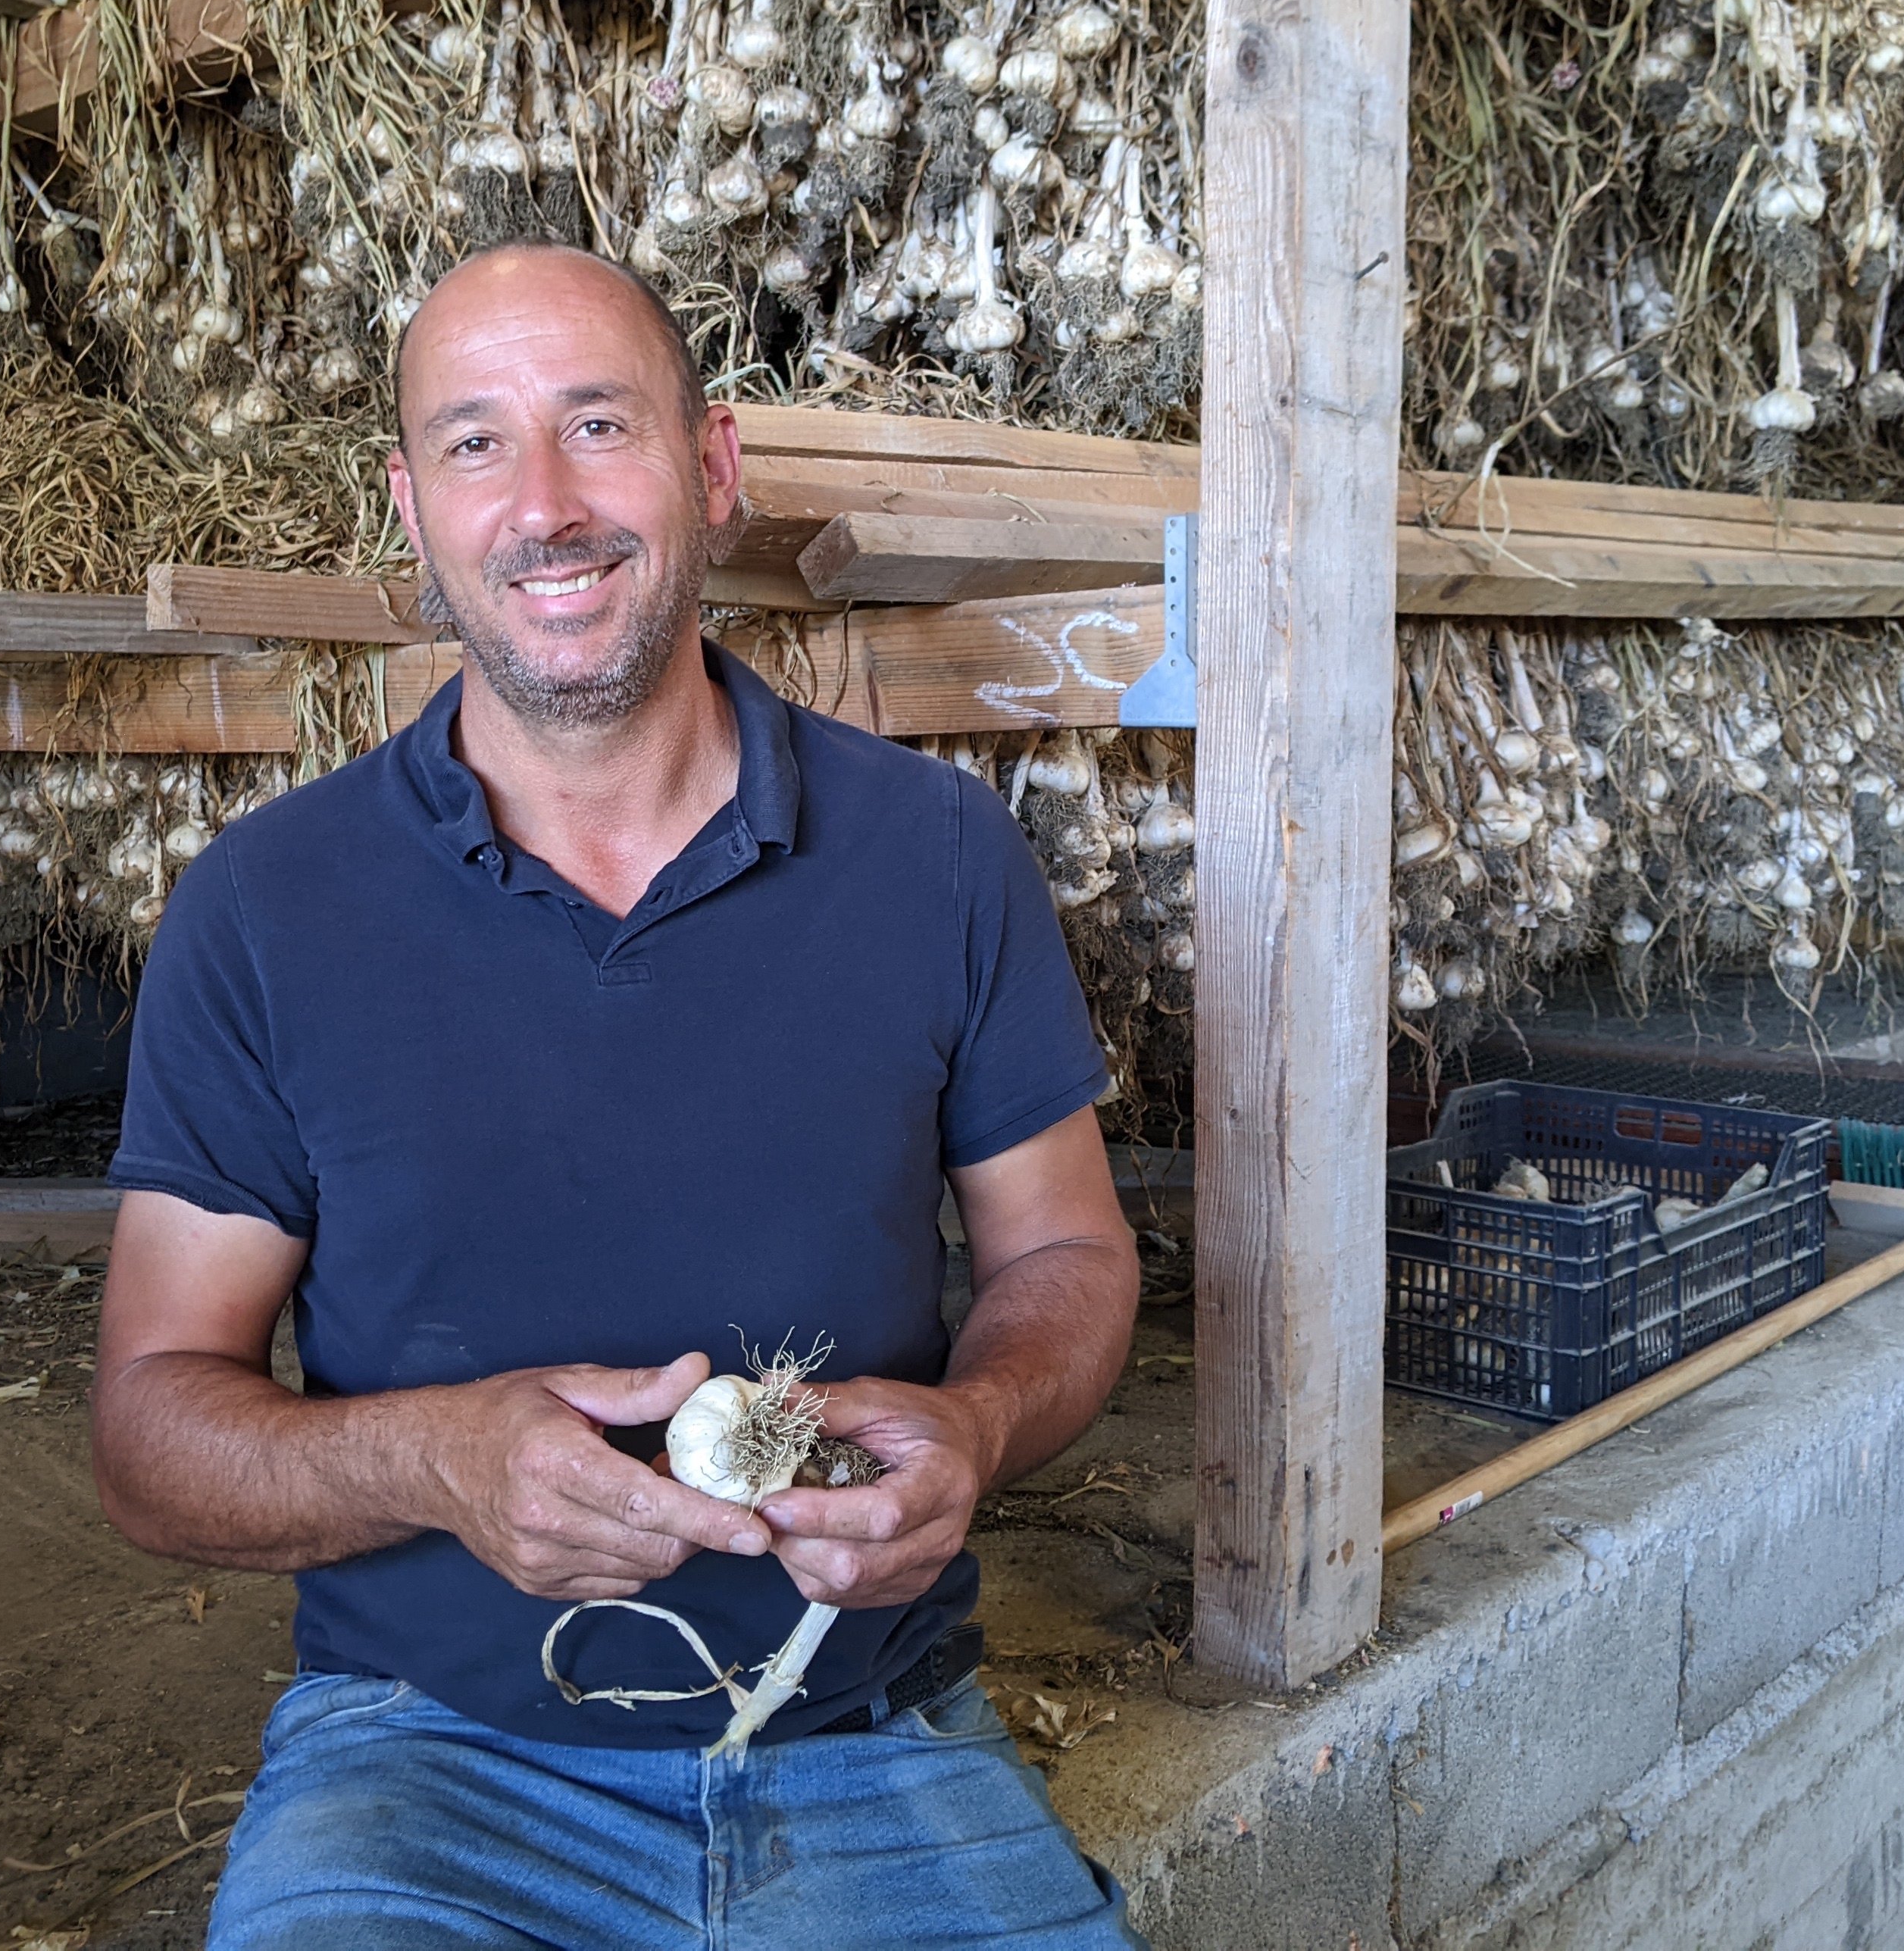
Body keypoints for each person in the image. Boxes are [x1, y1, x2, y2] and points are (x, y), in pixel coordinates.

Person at [89, 241, 1147, 1947]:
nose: (548, 503)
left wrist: (978, 1426)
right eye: (476, 443)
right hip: (432, 1770)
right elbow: (151, 1436)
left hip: (863, 1733)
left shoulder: (939, 857)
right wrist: (438, 1463)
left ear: (711, 467)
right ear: (413, 505)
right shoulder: (267, 910)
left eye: (600, 423)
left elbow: (1070, 1261)